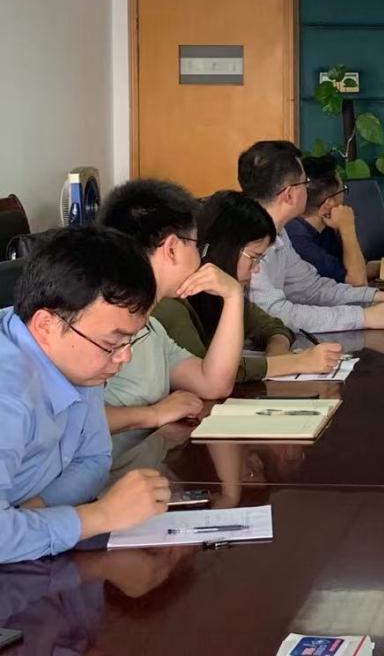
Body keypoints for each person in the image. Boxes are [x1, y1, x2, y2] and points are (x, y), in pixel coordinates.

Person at [1, 227, 171, 564]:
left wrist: (34, 512)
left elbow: (93, 460)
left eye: (129, 341)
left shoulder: (80, 361)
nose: (124, 357)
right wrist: (100, 517)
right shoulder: (9, 396)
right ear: (46, 326)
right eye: (112, 343)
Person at [98, 180, 249, 454]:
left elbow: (213, 384)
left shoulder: (152, 327)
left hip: (145, 466)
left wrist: (233, 297)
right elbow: (70, 420)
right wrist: (152, 414)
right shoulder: (97, 325)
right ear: (171, 248)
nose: (201, 259)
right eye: (196, 247)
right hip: (107, 476)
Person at [238, 140, 384, 332]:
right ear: (289, 195)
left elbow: (313, 289)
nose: (309, 190)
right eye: (305, 183)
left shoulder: (279, 233)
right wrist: (364, 317)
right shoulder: (250, 240)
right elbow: (276, 315)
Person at [154, 190, 343, 381]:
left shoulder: (217, 294)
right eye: (253, 258)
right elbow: (208, 373)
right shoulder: (170, 304)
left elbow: (274, 326)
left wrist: (277, 352)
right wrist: (296, 362)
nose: (256, 269)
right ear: (225, 249)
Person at [286, 155, 384, 287]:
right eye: (343, 190)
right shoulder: (297, 240)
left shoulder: (325, 227)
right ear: (328, 204)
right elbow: (357, 282)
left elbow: (358, 269)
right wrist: (347, 227)